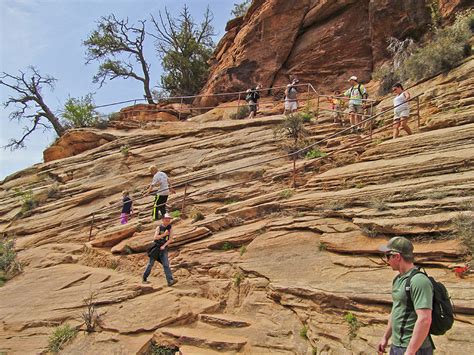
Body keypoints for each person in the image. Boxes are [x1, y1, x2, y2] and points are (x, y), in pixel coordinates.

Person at [377, 237, 433, 355]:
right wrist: (385, 337)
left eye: (388, 256)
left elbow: (425, 319)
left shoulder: (419, 281)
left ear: (397, 256)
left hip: (415, 349)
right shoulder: (398, 280)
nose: (386, 260)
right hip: (398, 346)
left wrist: (410, 351)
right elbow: (397, 310)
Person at [142, 213, 176, 286]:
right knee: (150, 264)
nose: (168, 221)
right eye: (166, 219)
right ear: (163, 220)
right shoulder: (159, 227)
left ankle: (170, 281)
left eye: (169, 220)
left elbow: (170, 239)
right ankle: (144, 278)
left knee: (166, 264)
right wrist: (164, 235)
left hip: (163, 248)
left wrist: (164, 245)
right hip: (156, 247)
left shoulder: (170, 228)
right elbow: (155, 237)